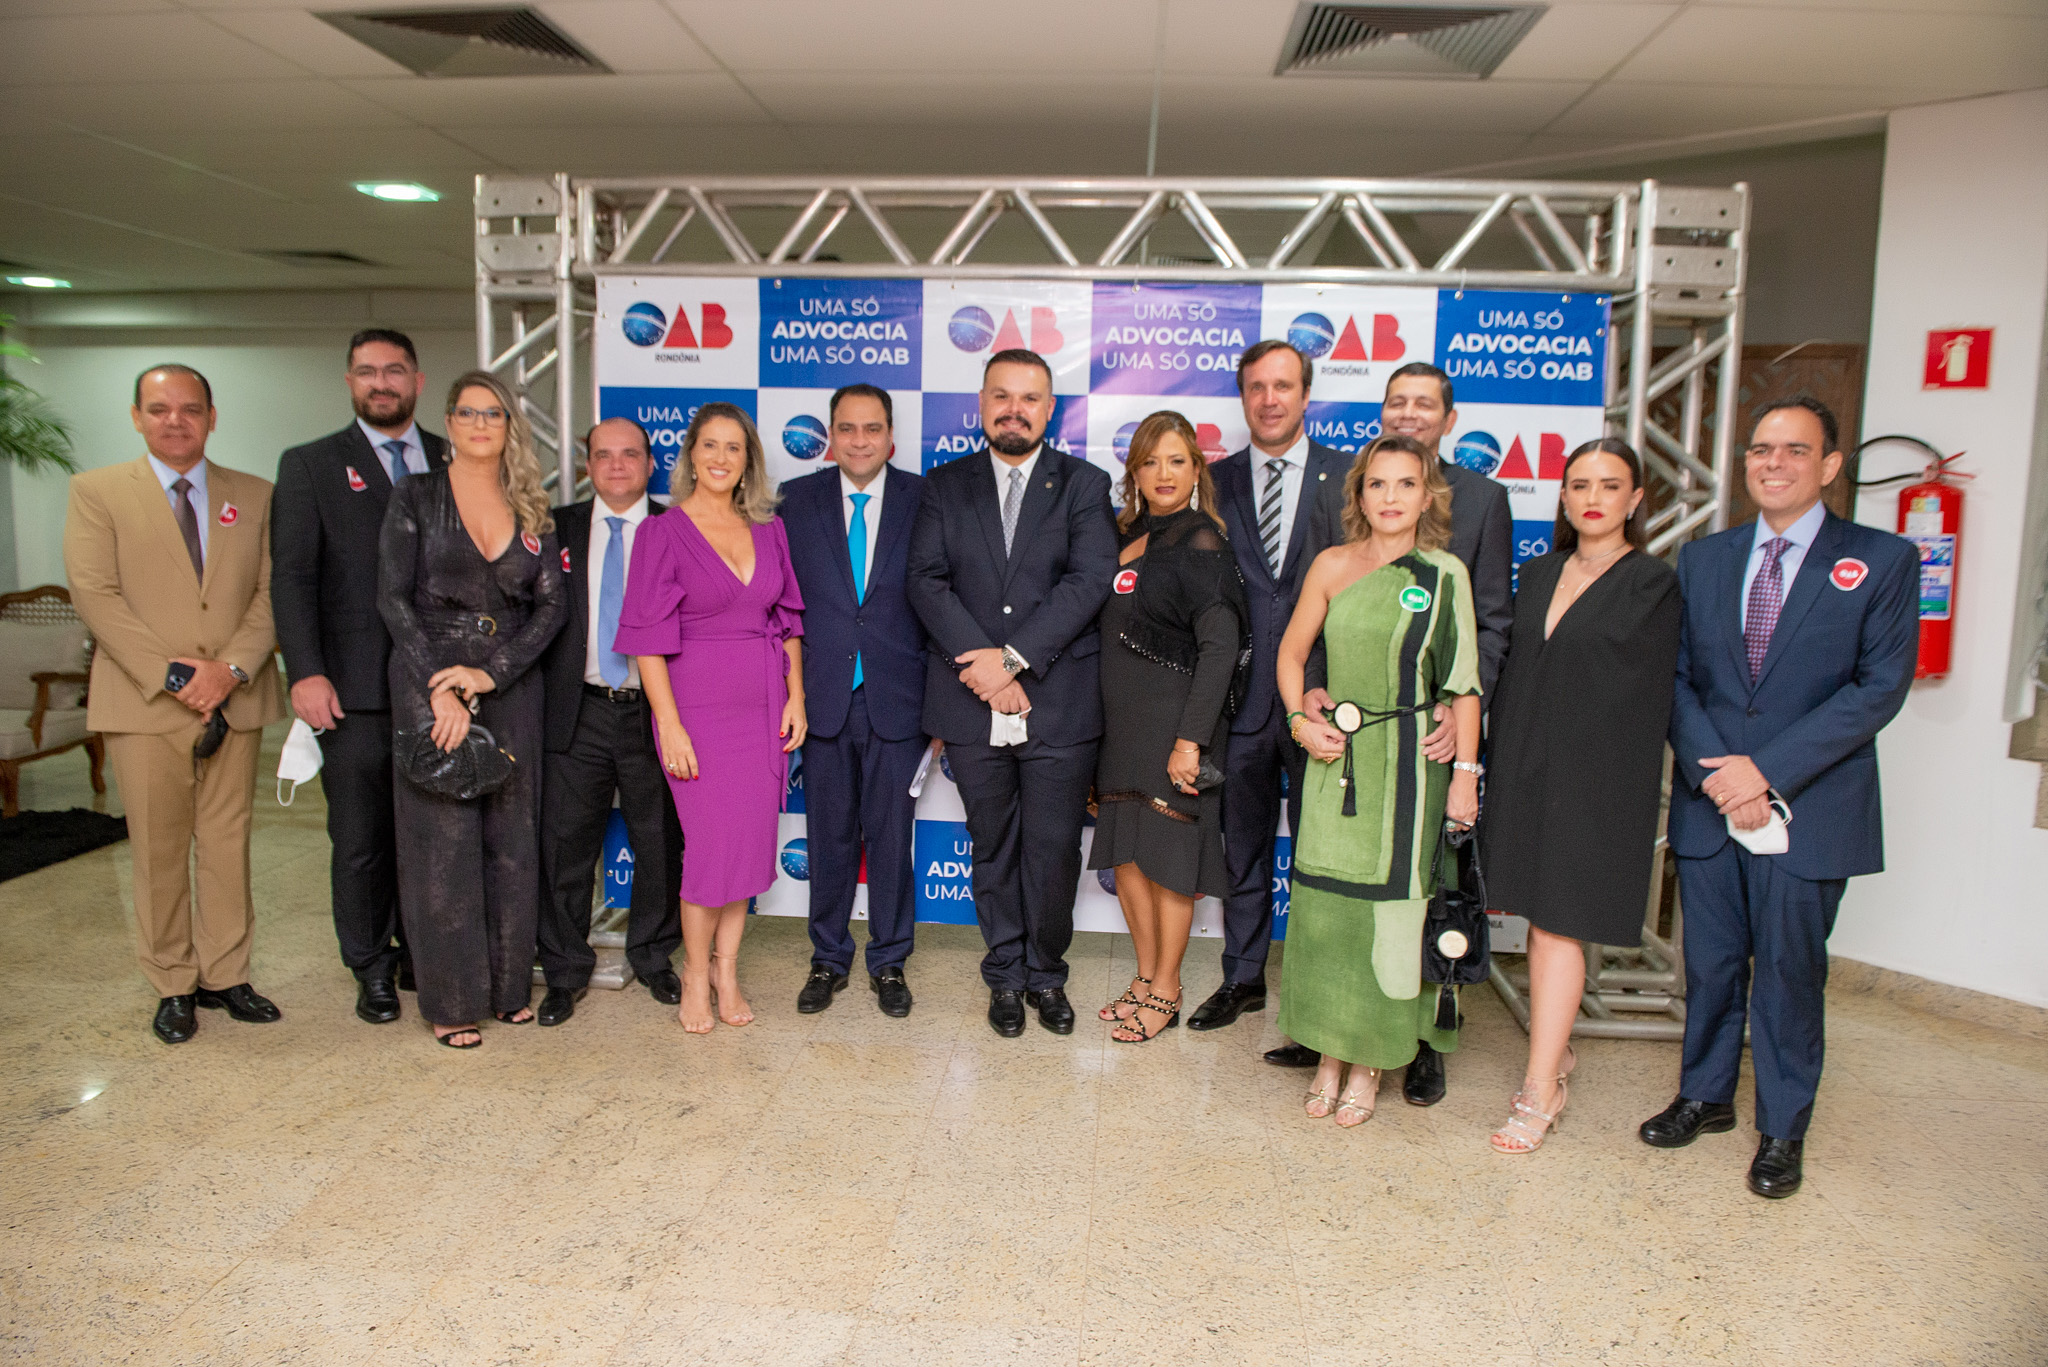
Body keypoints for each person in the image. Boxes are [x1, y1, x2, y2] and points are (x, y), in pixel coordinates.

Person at [1641, 396, 1916, 1198]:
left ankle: (1783, 1128)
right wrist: (1718, 776)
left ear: (1829, 465)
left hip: (1810, 808)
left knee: (1790, 973)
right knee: (1712, 962)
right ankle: (1705, 1095)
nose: (1774, 462)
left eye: (1796, 449)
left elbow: (1878, 689)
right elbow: (1677, 678)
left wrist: (1764, 773)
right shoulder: (1705, 559)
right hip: (1712, 803)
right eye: (1762, 448)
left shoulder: (1882, 560)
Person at [1274, 360, 1514, 1105]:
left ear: (1427, 494)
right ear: (1358, 493)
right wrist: (1300, 720)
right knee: (1325, 911)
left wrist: (1465, 778)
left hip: (1413, 770)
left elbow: (1464, 684)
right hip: (1335, 762)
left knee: (1394, 916)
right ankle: (1327, 1051)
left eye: (1405, 484)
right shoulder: (1330, 564)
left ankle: (1373, 1059)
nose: (1389, 496)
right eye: (1376, 483)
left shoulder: (1445, 574)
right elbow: (1290, 655)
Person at [64, 364, 287, 1043]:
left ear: (212, 418)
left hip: (234, 697)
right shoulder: (97, 492)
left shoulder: (256, 494)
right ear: (136, 417)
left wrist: (232, 669)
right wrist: (176, 676)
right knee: (159, 849)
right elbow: (95, 595)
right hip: (145, 703)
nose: (175, 421)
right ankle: (173, 982)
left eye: (190, 409)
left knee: (226, 843)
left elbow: (273, 591)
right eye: (159, 409)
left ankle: (226, 973)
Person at [907, 348, 1117, 1038]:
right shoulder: (944, 485)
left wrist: (1013, 661)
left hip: (1059, 704)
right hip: (970, 704)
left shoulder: (1084, 484)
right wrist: (985, 669)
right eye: (1001, 396)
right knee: (992, 845)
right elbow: (926, 581)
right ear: (981, 403)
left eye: (1029, 398)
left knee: (1052, 850)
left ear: (1050, 409)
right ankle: (1004, 973)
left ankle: (1046, 974)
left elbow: (1088, 581)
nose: (1014, 410)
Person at [1479, 438, 1680, 1153]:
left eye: (1611, 484)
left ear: (1636, 499)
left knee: (1558, 926)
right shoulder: (1538, 573)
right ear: (1562, 497)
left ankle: (1541, 1088)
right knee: (1537, 921)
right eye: (1580, 484)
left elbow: (1646, 696)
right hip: (1523, 767)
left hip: (1595, 779)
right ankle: (1556, 1049)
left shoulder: (1653, 583)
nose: (1594, 497)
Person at [377, 370, 566, 1048]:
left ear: (510, 425)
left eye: (494, 413)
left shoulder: (532, 506)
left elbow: (551, 608)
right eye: (468, 412)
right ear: (450, 422)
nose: (481, 423)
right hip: (427, 676)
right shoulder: (415, 495)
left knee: (512, 841)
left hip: (508, 682)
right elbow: (392, 598)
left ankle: (508, 989)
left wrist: (491, 673)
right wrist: (441, 686)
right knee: (442, 844)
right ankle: (452, 1001)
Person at [272, 328, 447, 1025]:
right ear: (349, 381)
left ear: (417, 381)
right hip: (353, 688)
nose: (382, 383)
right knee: (361, 839)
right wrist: (306, 672)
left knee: (429, 834)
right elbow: (292, 577)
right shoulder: (310, 465)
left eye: (395, 370)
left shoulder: (454, 457)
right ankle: (370, 966)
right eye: (368, 371)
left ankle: (419, 953)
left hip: (440, 687)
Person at [616, 402, 807, 1034]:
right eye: (710, 445)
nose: (721, 458)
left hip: (763, 707)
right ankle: (696, 975)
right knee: (708, 852)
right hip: (696, 710)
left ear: (748, 461)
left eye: (734, 447)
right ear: (691, 456)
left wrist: (796, 696)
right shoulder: (662, 533)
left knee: (747, 849)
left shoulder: (770, 530)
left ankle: (728, 970)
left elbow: (787, 623)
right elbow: (646, 642)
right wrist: (668, 724)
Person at [1190, 340, 1350, 1035]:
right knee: (1243, 852)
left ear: (1306, 395)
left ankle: (1319, 995)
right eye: (1256, 387)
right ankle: (1243, 978)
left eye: (1283, 386)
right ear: (1243, 397)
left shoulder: (1352, 479)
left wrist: (1325, 686)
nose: (1270, 399)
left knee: (1325, 857)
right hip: (1240, 703)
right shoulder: (1212, 482)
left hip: (1328, 703)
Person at [1090, 411, 1247, 1043]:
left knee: (1169, 860)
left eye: (1177, 461)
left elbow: (1220, 647)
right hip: (1121, 726)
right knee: (1128, 858)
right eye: (1150, 461)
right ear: (1134, 470)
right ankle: (1145, 976)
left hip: (1175, 726)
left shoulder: (1202, 540)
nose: (1163, 473)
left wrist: (1190, 741)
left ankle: (1169, 987)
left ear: (1196, 470)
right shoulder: (1124, 534)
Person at [533, 418, 685, 1027]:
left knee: (660, 843)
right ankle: (564, 970)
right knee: (565, 847)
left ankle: (653, 957)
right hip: (579, 710)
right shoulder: (553, 529)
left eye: (629, 455)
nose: (617, 465)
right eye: (603, 455)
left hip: (656, 710)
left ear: (650, 463)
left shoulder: (677, 529)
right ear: (587, 465)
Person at [782, 384, 927, 1018]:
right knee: (829, 838)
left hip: (899, 699)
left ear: (890, 436)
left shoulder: (925, 499)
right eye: (847, 428)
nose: (859, 440)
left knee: (892, 841)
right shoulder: (794, 501)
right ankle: (828, 958)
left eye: (872, 429)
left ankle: (889, 962)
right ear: (831, 437)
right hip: (821, 699)